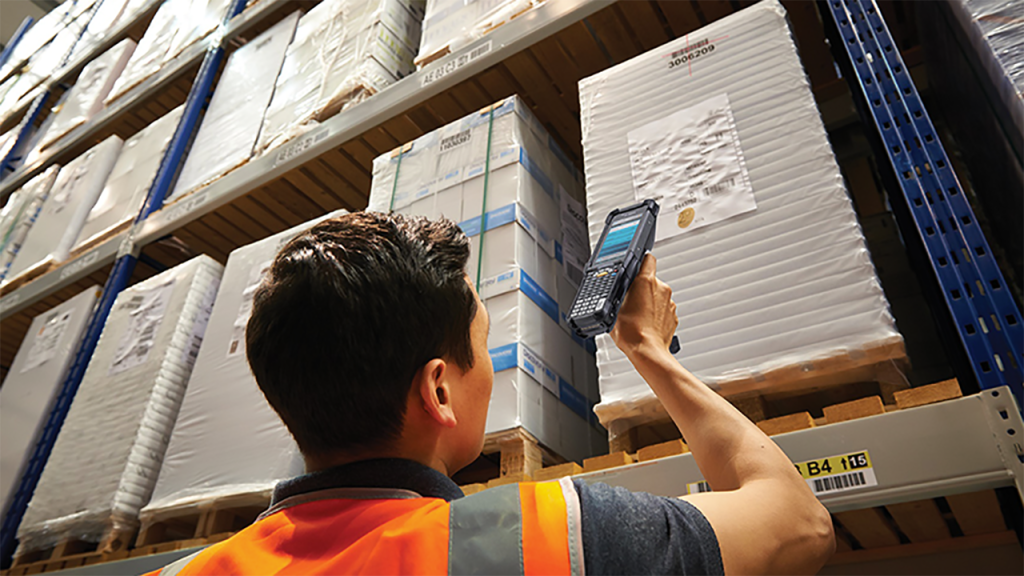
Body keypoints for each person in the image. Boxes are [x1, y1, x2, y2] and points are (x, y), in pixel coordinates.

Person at [147, 212, 834, 576]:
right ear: (438, 390)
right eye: (482, 343)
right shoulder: (549, 538)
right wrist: (647, 350)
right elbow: (798, 525)